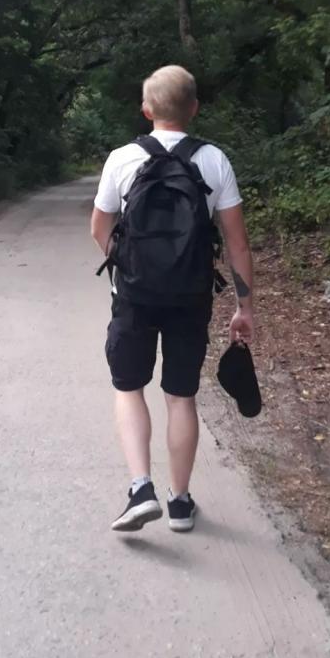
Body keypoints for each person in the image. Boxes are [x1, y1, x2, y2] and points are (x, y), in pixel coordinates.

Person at [91, 65, 254, 532]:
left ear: (146, 111)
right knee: (181, 396)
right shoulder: (214, 160)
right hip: (190, 296)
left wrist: (132, 264)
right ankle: (179, 504)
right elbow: (237, 243)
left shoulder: (122, 158)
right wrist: (244, 307)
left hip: (134, 296)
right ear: (194, 109)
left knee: (129, 388)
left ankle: (140, 488)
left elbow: (99, 229)